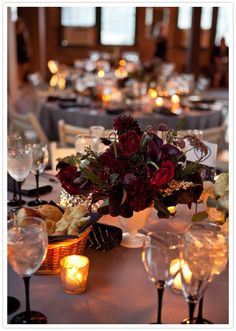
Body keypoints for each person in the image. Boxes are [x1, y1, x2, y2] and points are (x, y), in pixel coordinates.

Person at [15, 17, 32, 86]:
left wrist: (29, 50)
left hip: (23, 51)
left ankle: (21, 79)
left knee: (25, 66)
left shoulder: (24, 32)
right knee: (19, 66)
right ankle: (18, 80)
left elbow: (27, 42)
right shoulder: (15, 32)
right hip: (18, 51)